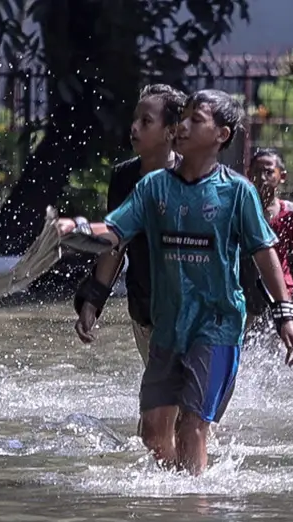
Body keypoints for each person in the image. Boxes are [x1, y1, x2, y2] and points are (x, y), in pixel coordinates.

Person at [55, 89, 293, 475]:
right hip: (167, 327)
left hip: (217, 326)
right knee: (154, 432)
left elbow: (264, 252)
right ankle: (178, 496)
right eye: (182, 117)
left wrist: (284, 313)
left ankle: (194, 512)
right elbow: (115, 234)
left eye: (195, 120)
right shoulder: (152, 187)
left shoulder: (238, 191)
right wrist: (76, 229)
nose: (182, 127)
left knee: (192, 425)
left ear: (221, 135)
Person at [74, 84, 185, 365]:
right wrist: (93, 301)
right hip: (145, 308)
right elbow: (115, 245)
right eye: (135, 119)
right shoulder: (124, 178)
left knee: (185, 402)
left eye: (146, 121)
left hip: (192, 313)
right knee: (160, 401)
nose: (134, 127)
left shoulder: (194, 177)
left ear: (171, 130)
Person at [248, 148, 293, 304]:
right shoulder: (243, 208)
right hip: (247, 283)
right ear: (249, 174)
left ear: (282, 176)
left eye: (269, 172)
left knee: (281, 324)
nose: (262, 177)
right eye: (257, 172)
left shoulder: (289, 212)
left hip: (281, 283)